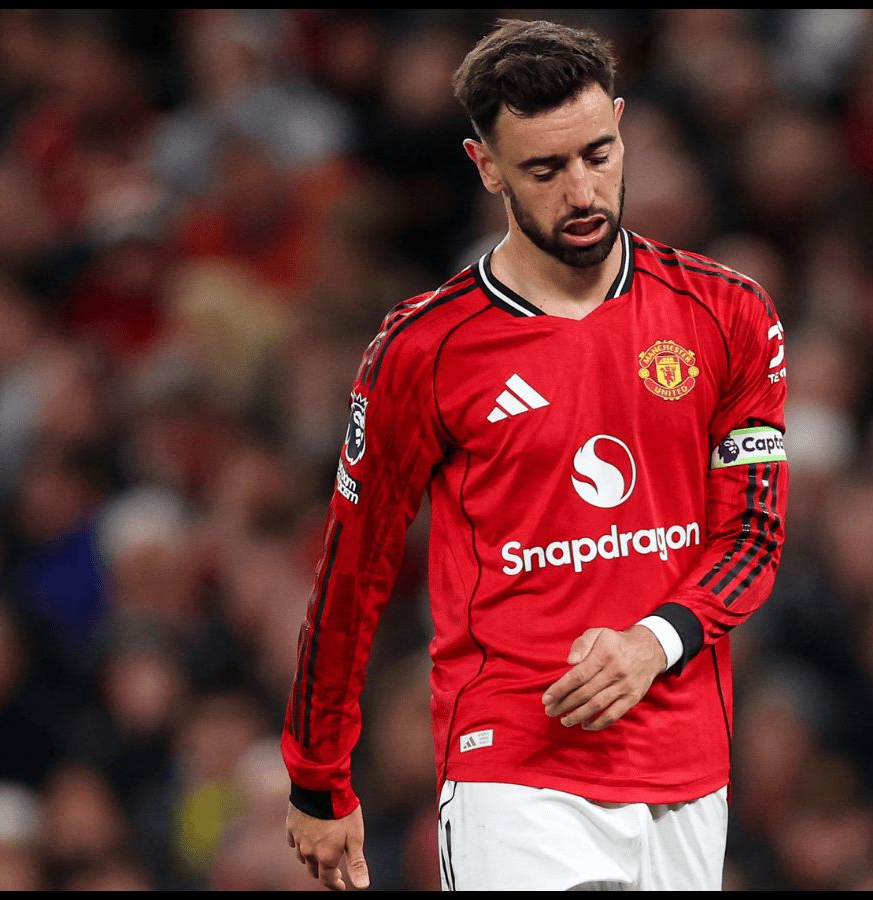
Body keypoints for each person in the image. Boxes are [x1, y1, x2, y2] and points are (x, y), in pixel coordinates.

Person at [282, 19, 788, 891]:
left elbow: (751, 538)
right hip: (510, 761)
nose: (581, 191)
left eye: (598, 154)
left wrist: (652, 644)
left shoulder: (727, 315)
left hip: (683, 756)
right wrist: (318, 775)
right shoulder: (423, 350)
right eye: (544, 171)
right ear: (486, 167)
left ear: (623, 126)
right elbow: (352, 569)